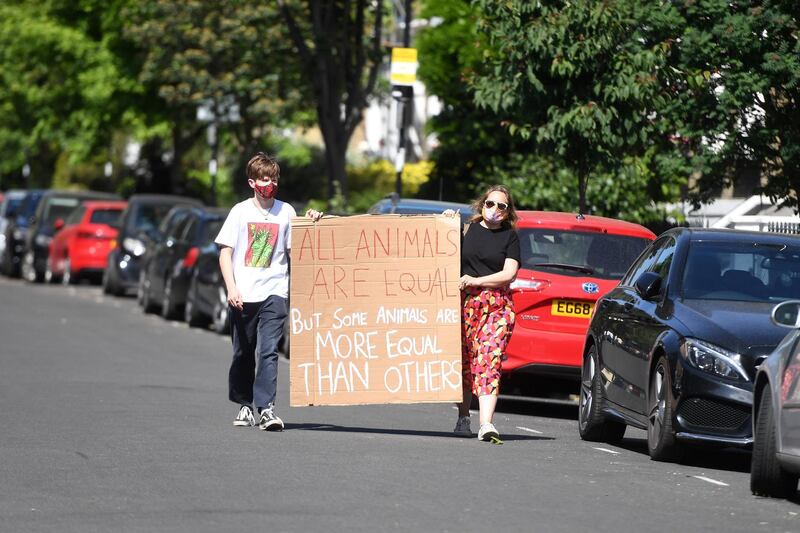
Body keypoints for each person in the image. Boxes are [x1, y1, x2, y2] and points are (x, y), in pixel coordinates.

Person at [216, 152, 321, 431]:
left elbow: (295, 250)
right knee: (243, 353)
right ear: (252, 182)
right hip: (243, 294)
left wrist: (310, 223)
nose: (269, 184)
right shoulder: (240, 212)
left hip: (275, 292)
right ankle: (245, 405)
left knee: (268, 351)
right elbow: (225, 254)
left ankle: (266, 408)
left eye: (273, 179)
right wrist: (232, 288)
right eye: (264, 180)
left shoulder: (286, 212)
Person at [445, 185, 520, 442]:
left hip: (496, 307)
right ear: (482, 205)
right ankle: (463, 416)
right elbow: (441, 252)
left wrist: (477, 281)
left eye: (502, 206)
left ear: (508, 212)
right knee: (465, 363)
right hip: (464, 306)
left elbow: (508, 274)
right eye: (490, 204)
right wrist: (442, 223)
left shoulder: (510, 238)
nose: (495, 210)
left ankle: (486, 423)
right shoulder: (466, 230)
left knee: (489, 360)